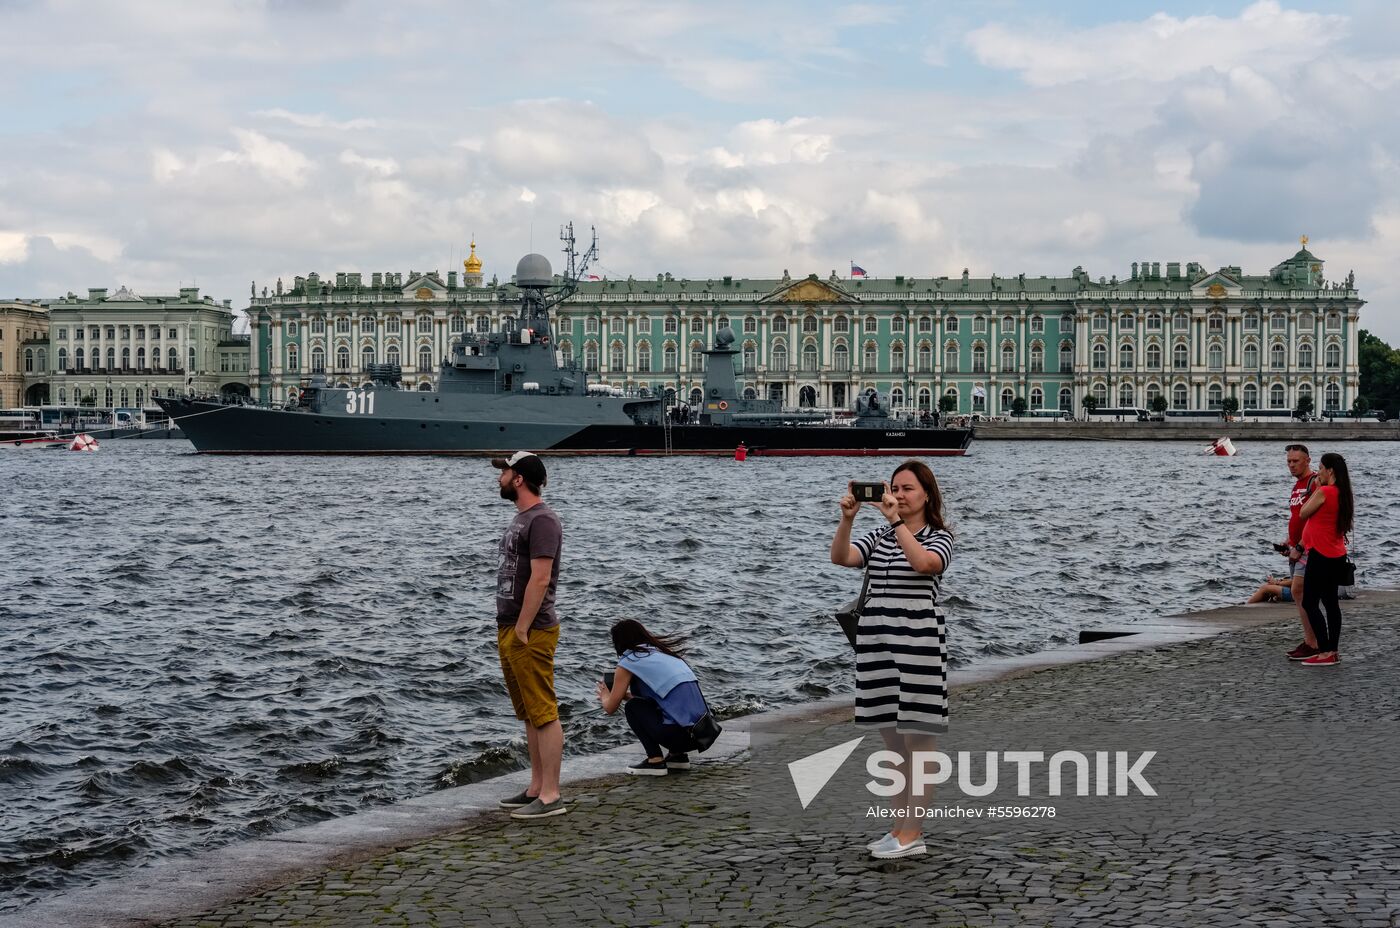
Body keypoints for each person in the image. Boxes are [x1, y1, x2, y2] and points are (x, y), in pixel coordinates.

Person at [830, 460, 954, 860]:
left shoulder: (939, 537)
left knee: (919, 744)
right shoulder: (881, 534)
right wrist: (847, 519)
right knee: (894, 746)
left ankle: (912, 833)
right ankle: (898, 828)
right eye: (894, 488)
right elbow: (842, 558)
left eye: (907, 489)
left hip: (918, 646)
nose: (899, 496)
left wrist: (897, 524)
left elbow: (924, 565)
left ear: (926, 496)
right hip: (877, 646)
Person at [490, 451, 568, 818]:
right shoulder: (521, 519)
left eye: (504, 472)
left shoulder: (543, 520)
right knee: (528, 713)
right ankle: (536, 786)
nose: (499, 478)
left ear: (519, 478)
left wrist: (522, 626)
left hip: (530, 631)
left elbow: (540, 578)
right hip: (510, 627)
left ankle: (551, 795)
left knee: (544, 711)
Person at [595, 620, 708, 775]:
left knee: (633, 707)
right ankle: (677, 757)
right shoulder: (665, 654)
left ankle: (655, 761)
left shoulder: (629, 661)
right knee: (656, 707)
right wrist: (623, 695)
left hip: (679, 737)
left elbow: (610, 708)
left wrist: (605, 695)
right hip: (703, 733)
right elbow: (663, 699)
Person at [1297, 452, 1353, 666]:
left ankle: (1325, 650)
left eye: (1320, 468)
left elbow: (1303, 512)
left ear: (1329, 470)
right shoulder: (1343, 493)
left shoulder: (1326, 491)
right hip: (1337, 555)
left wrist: (1318, 487)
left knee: (1310, 602)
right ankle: (1333, 650)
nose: (1317, 472)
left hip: (1321, 554)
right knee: (1330, 603)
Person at [1281, 444, 1320, 660]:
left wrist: (1301, 545)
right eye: (1289, 461)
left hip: (1308, 547)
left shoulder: (1313, 483)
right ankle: (1309, 640)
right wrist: (1289, 542)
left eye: (1296, 461)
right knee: (1300, 595)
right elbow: (1297, 517)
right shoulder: (1297, 486)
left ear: (1308, 460)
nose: (1291, 465)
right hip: (1296, 547)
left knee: (1299, 591)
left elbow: (1316, 520)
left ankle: (1313, 643)